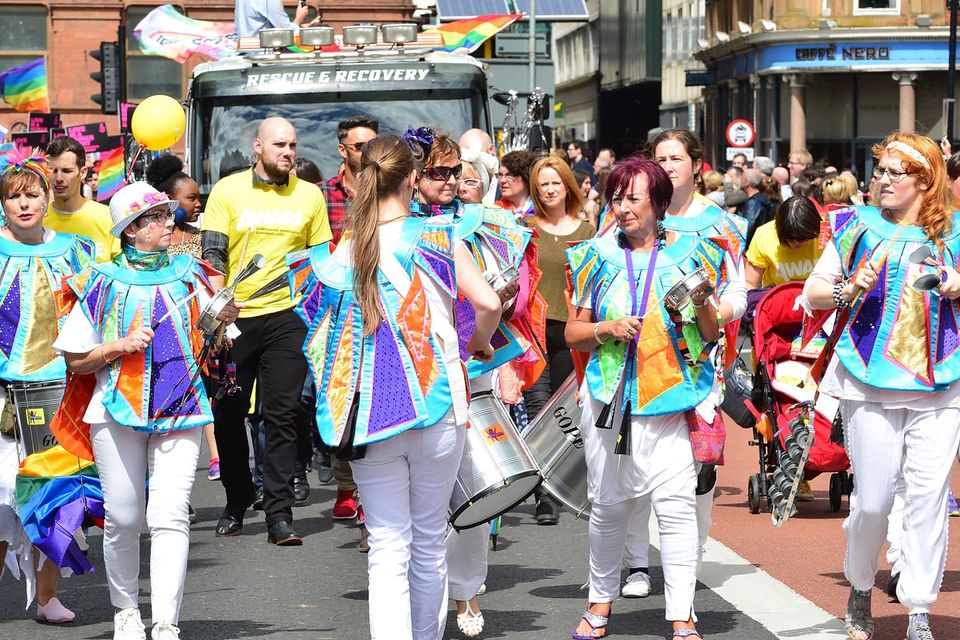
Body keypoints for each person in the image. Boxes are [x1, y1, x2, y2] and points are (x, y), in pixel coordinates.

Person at [289, 133, 501, 640]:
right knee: (428, 539)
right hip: (438, 404)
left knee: (386, 545)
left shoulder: (340, 251)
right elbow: (489, 304)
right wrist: (480, 344)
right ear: (411, 178)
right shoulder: (439, 237)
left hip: (367, 411)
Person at [53, 181, 241, 640]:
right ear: (131, 231)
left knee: (170, 514)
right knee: (122, 516)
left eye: (165, 215)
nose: (166, 223)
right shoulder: (100, 281)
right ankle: (125, 610)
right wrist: (118, 346)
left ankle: (165, 622)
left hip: (182, 408)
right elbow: (76, 360)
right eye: (155, 217)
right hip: (117, 411)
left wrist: (225, 317)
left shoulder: (192, 274)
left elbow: (217, 340)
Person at [801, 132, 960, 640]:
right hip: (869, 381)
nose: (882, 179)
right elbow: (814, 293)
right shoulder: (855, 226)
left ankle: (918, 609)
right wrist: (851, 287)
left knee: (928, 498)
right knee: (871, 503)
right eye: (880, 170)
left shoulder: (956, 231)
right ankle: (860, 582)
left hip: (942, 384)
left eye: (896, 172)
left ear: (925, 180)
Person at [565, 156, 725, 640]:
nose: (622, 207)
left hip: (674, 398)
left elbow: (711, 332)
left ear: (658, 202)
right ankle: (599, 603)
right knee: (608, 507)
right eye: (616, 197)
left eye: (633, 198)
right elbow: (573, 333)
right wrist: (605, 328)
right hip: (611, 400)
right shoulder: (594, 258)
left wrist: (702, 304)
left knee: (676, 508)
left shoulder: (696, 254)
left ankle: (682, 615)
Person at [617, 129, 748, 601]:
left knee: (697, 470)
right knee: (630, 468)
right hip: (635, 365)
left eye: (677, 158)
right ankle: (635, 564)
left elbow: (738, 294)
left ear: (696, 164)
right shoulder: (626, 216)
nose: (669, 166)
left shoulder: (723, 225)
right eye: (660, 158)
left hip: (702, 366)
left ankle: (686, 560)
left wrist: (712, 311)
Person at [202, 116, 331, 546]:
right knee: (229, 414)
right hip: (235, 319)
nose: (288, 152)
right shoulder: (227, 190)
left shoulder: (310, 195)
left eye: (293, 144)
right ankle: (238, 497)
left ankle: (279, 513)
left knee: (282, 414)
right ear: (257, 146)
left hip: (288, 316)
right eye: (279, 145)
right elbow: (213, 256)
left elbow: (319, 262)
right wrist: (221, 310)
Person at [0, 148, 94, 625]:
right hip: (3, 395)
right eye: (14, 198)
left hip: (60, 389)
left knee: (54, 496)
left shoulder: (77, 251)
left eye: (32, 194)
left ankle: (47, 598)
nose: (24, 204)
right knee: (0, 499)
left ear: (46, 198)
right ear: (3, 205)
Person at [524, 155, 594, 525]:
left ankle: (566, 483)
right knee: (537, 408)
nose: (550, 190)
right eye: (543, 184)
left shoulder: (586, 231)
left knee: (563, 411)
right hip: (533, 328)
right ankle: (542, 496)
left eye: (556, 183)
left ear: (568, 186)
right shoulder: (525, 227)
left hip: (570, 329)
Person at [146, 154, 221, 484]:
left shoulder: (201, 238)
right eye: (191, 198)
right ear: (169, 200)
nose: (198, 203)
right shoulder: (152, 244)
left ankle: (216, 455)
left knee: (204, 391)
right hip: (165, 334)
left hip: (200, 331)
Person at [45, 136, 120, 263]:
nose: (58, 178)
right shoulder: (37, 220)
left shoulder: (108, 217)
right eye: (53, 170)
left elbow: (120, 271)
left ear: (83, 172)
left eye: (66, 171)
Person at [745, 195, 823, 289]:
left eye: (803, 238)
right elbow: (749, 282)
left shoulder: (826, 233)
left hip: (818, 299)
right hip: (779, 299)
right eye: (790, 239)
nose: (796, 243)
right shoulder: (764, 235)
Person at [322, 115, 379, 244]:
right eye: (360, 147)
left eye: (373, 146)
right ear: (342, 150)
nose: (368, 152)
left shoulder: (389, 192)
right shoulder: (320, 194)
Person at [234, 0, 315, 37]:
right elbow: (286, 33)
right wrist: (299, 19)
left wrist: (299, 27)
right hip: (262, 55)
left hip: (244, 52)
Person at [740, 168, 776, 246]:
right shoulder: (764, 198)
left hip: (753, 245)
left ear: (747, 182)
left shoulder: (752, 202)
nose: (740, 180)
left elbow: (747, 228)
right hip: (764, 243)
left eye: (742, 178)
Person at [496, 150, 537, 218]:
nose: (502, 180)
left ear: (525, 176)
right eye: (500, 175)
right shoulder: (495, 212)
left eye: (509, 175)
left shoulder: (542, 210)